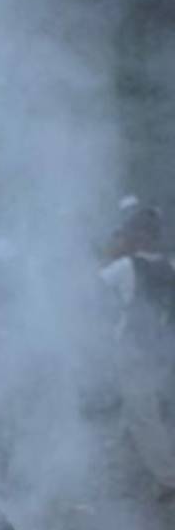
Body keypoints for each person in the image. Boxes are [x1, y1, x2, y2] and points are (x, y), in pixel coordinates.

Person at [99, 203, 175, 499]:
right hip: (162, 351)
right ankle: (124, 471)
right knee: (136, 411)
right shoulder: (171, 266)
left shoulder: (124, 267)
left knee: (144, 417)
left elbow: (87, 291)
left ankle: (168, 478)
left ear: (138, 235)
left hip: (133, 351)